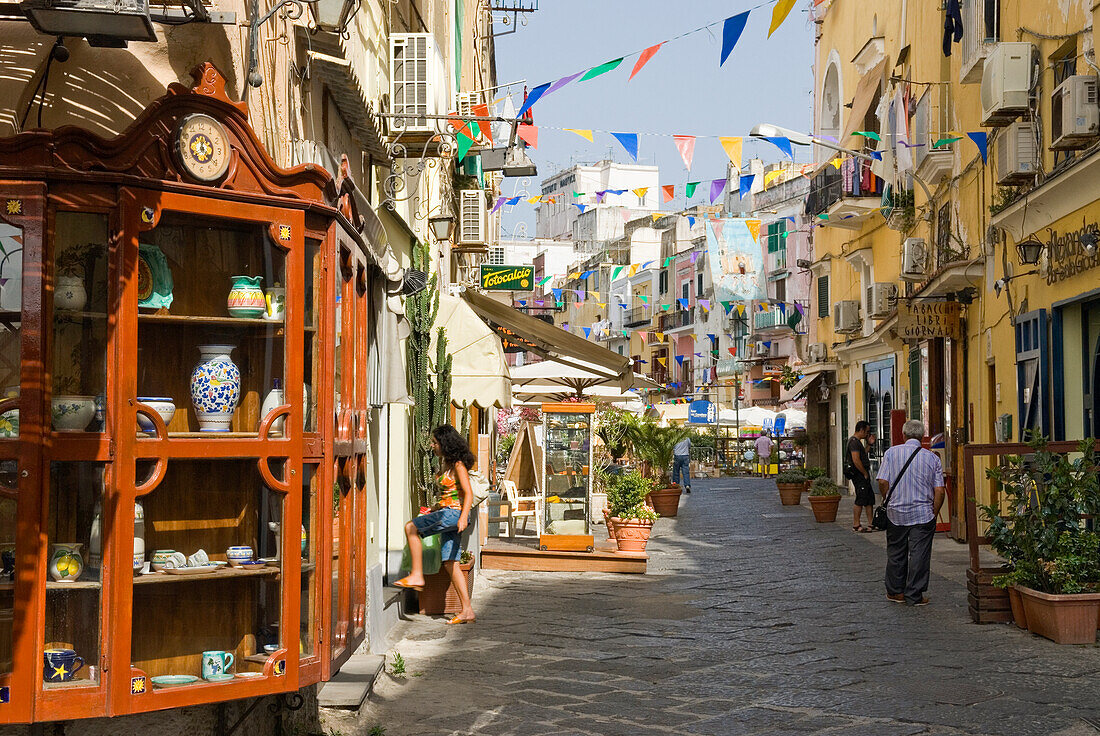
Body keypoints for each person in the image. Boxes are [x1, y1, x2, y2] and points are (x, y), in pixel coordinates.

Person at [394, 425, 477, 624]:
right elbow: (448, 494)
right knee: (450, 562)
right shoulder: (445, 463)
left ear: (444, 444)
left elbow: (468, 493)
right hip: (446, 512)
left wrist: (464, 516)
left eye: (435, 442)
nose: (432, 446)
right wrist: (433, 508)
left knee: (410, 527)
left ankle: (416, 575)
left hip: (453, 515)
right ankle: (467, 610)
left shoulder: (458, 465)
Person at [876, 420, 946, 607]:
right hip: (923, 513)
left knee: (896, 552)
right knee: (919, 554)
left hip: (896, 512)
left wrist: (887, 499)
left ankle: (895, 592)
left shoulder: (891, 453)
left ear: (903, 435)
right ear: (922, 436)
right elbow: (939, 490)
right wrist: (934, 511)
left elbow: (882, 481)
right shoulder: (932, 458)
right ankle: (914, 594)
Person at [846, 421, 875, 533]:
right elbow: (856, 460)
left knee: (869, 498)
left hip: (862, 474)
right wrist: (864, 473)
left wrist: (869, 444)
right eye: (867, 432)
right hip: (858, 475)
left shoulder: (858, 443)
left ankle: (871, 523)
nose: (867, 434)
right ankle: (856, 524)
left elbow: (863, 454)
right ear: (861, 430)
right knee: (861, 498)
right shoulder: (853, 442)